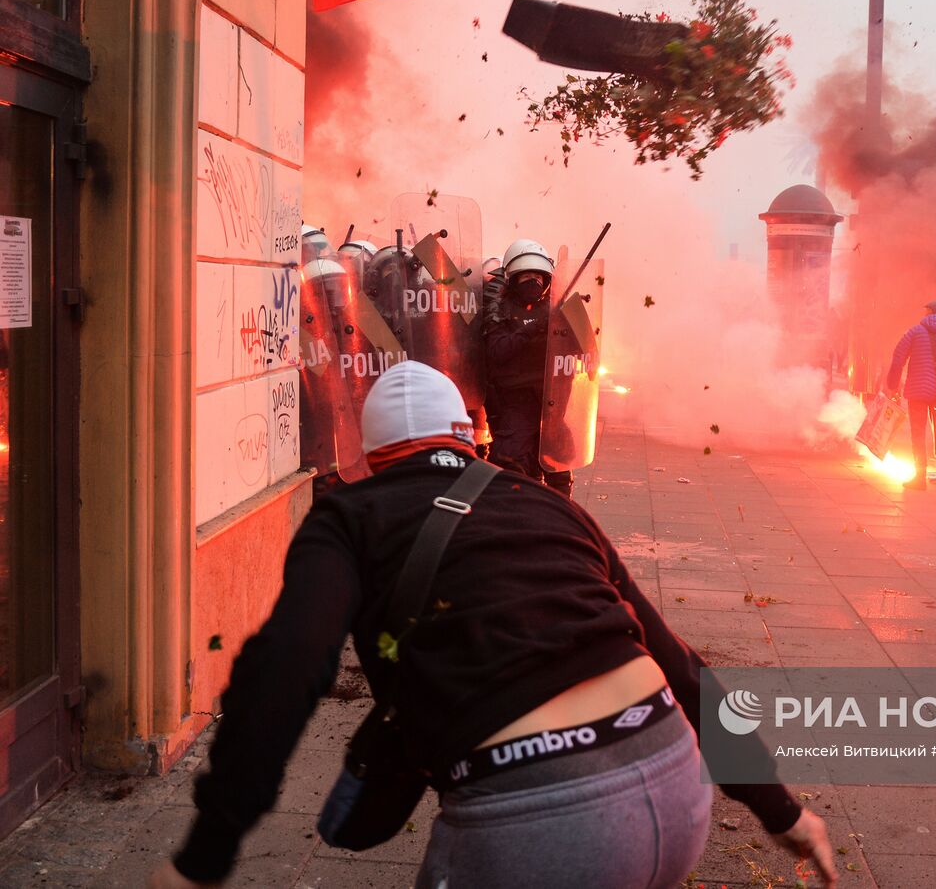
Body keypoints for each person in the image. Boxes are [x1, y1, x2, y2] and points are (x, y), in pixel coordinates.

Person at [149, 361, 837, 889]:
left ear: (371, 455)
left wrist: (204, 858)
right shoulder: (549, 504)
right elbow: (680, 666)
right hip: (675, 782)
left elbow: (286, 667)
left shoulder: (349, 517)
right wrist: (781, 810)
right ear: (467, 437)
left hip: (535, 823)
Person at [483, 238, 575, 497]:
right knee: (510, 465)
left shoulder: (558, 308)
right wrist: (532, 329)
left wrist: (571, 326)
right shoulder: (500, 310)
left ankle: (561, 513)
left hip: (552, 401)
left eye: (538, 277)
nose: (533, 282)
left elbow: (585, 348)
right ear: (513, 279)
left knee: (558, 465)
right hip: (517, 401)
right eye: (526, 277)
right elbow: (497, 351)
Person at [886, 300, 936, 489]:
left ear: (930, 312)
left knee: (918, 432)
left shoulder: (914, 332)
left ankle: (920, 476)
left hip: (918, 390)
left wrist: (892, 384)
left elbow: (898, 357)